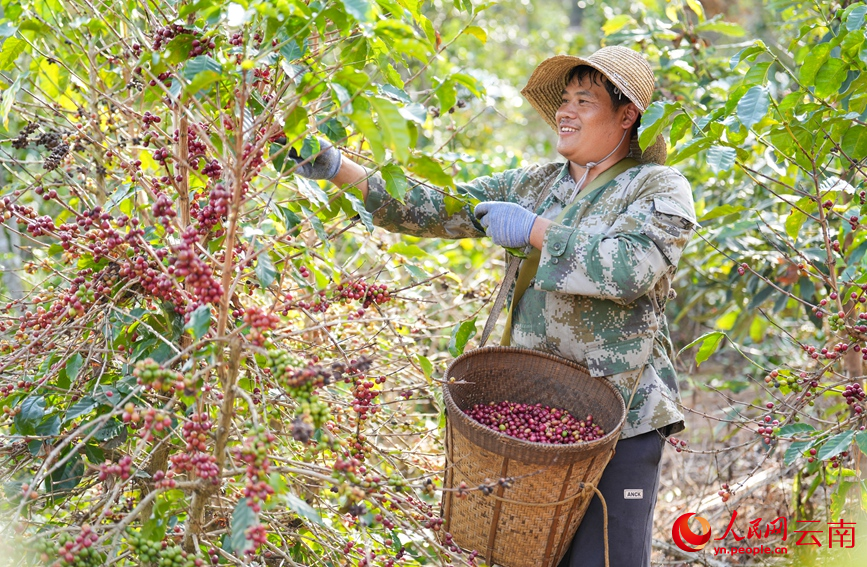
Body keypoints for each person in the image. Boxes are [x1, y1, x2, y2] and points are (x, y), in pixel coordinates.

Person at [288, 45, 697, 567]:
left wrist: (536, 231)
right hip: (536, 415)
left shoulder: (658, 186)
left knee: (606, 558)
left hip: (622, 418)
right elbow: (431, 206)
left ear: (626, 116)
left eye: (585, 100)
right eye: (564, 99)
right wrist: (334, 164)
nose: (565, 111)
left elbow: (630, 268)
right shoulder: (535, 184)